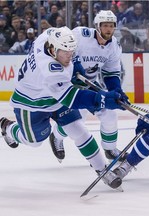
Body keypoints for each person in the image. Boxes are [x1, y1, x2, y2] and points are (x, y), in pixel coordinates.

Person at [0, 26, 126, 189]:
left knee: (78, 129)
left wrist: (76, 64)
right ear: (52, 50)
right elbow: (72, 98)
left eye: (71, 52)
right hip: (31, 103)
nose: (69, 56)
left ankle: (102, 170)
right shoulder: (51, 70)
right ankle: (8, 128)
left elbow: (63, 36)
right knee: (33, 142)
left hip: (55, 97)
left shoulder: (48, 37)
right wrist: (102, 99)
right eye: (65, 52)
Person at [49, 10, 130, 164]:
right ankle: (56, 136)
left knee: (110, 112)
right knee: (76, 121)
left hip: (90, 84)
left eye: (111, 26)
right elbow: (65, 50)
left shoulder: (114, 46)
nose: (108, 29)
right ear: (97, 26)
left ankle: (110, 149)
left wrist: (116, 91)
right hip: (70, 84)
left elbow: (111, 73)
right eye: (105, 25)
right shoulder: (80, 34)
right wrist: (74, 67)